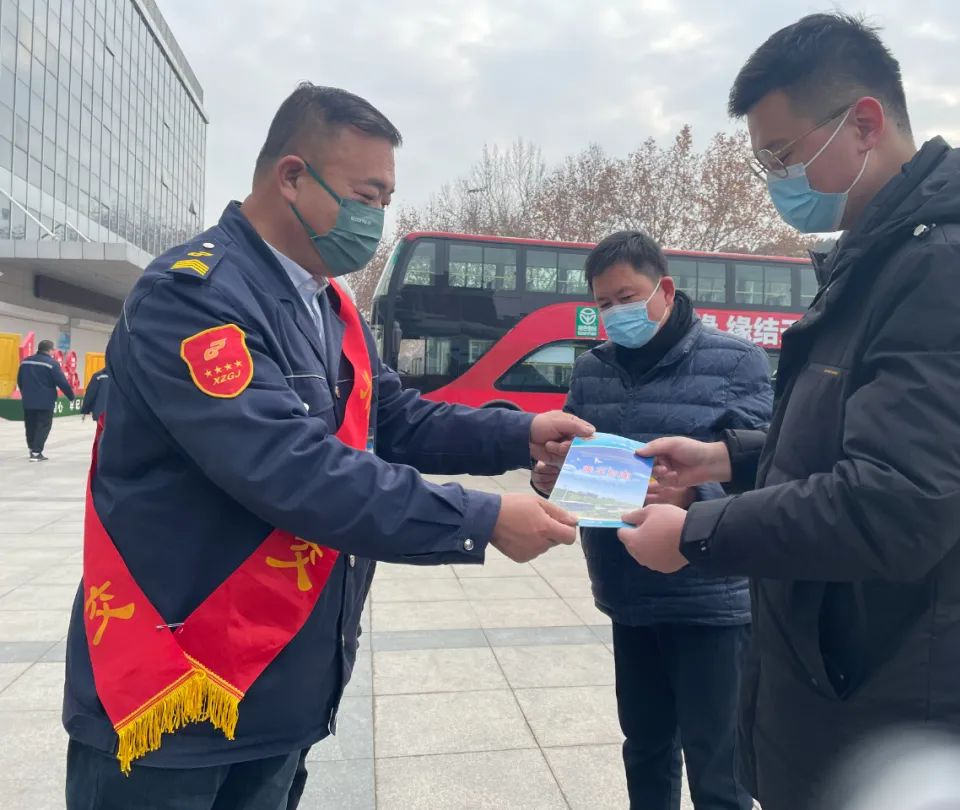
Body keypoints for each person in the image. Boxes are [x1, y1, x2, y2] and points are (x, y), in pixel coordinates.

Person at [63, 83, 593, 810]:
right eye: (367, 196)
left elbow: (394, 419)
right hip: (176, 684)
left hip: (283, 683)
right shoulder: (193, 298)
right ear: (292, 176)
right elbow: (290, 467)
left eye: (385, 200)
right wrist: (481, 518)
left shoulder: (328, 303)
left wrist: (521, 431)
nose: (376, 219)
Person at [617, 13, 960, 810]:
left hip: (921, 725)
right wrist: (729, 459)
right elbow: (854, 436)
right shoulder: (883, 258)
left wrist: (695, 535)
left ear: (863, 123)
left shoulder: (954, 268)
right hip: (857, 694)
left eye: (783, 154)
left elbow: (897, 502)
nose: (775, 180)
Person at [532, 231, 771, 810]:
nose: (617, 313)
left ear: (664, 289)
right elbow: (577, 460)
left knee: (719, 768)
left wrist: (692, 495)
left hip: (709, 595)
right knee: (645, 749)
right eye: (604, 303)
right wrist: (550, 477)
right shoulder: (592, 369)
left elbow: (766, 466)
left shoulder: (736, 360)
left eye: (627, 297)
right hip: (627, 586)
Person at [16, 338, 75, 461]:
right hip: (45, 401)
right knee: (43, 426)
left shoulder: (25, 362)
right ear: (50, 350)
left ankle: (32, 449)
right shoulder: (52, 364)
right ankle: (36, 452)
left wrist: (24, 393)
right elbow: (62, 382)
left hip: (28, 401)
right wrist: (71, 396)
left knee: (30, 425)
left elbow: (20, 380)